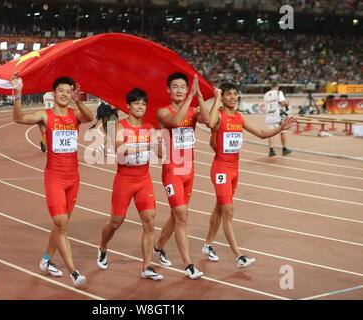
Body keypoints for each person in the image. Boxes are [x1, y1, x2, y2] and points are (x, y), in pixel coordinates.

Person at [10, 71, 94, 287]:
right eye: (61, 91)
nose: (65, 94)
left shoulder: (75, 115)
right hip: (55, 176)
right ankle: (74, 271)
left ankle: (46, 261)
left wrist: (79, 101)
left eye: (69, 91)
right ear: (53, 94)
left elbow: (90, 118)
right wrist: (18, 93)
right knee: (61, 223)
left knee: (60, 226)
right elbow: (19, 118)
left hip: (73, 178)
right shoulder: (44, 116)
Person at [203, 82, 297, 268]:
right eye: (228, 94)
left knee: (220, 209)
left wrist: (281, 128)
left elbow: (262, 133)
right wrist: (215, 99)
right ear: (222, 97)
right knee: (228, 211)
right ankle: (239, 256)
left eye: (235, 94)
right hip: (221, 168)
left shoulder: (240, 117)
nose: (232, 97)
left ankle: (207, 244)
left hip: (234, 169)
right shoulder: (219, 116)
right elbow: (209, 122)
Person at [97, 88, 163, 280]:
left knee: (150, 222)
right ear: (128, 106)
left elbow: (160, 154)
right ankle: (102, 247)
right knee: (116, 222)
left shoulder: (150, 128)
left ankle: (146, 266)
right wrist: (147, 144)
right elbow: (120, 149)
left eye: (143, 104)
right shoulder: (120, 126)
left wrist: (158, 142)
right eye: (136, 103)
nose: (140, 107)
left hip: (144, 179)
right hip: (124, 179)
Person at [153, 72, 210, 280]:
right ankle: (188, 265)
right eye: (174, 87)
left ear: (188, 89)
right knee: (182, 216)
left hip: (189, 169)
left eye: (183, 87)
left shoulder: (193, 111)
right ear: (168, 90)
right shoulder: (162, 112)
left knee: (176, 215)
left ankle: (158, 248)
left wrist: (200, 97)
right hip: (172, 170)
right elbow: (176, 121)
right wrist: (190, 99)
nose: (179, 90)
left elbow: (210, 121)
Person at [264, 82, 292, 157]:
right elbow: (282, 103)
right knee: (283, 131)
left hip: (269, 115)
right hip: (278, 116)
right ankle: (284, 149)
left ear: (271, 86)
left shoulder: (266, 94)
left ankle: (271, 150)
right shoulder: (279, 92)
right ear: (278, 86)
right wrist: (287, 103)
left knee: (270, 134)